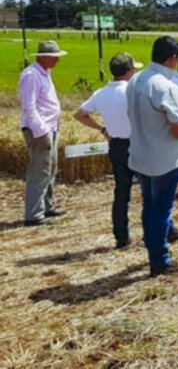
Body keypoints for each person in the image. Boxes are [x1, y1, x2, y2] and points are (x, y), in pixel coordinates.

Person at [126, 36, 178, 277]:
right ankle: (160, 260)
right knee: (161, 210)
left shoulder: (136, 79)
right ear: (173, 58)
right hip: (164, 158)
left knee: (149, 205)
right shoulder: (166, 86)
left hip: (140, 154)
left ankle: (153, 250)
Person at [73, 53, 143, 248]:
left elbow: (80, 115)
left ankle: (121, 237)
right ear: (129, 71)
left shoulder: (101, 93)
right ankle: (154, 231)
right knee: (149, 190)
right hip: (137, 143)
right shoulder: (132, 90)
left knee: (121, 193)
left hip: (117, 145)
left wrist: (103, 129)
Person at [19, 40, 68, 226]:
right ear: (44, 57)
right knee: (40, 171)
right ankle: (33, 215)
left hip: (49, 128)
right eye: (55, 57)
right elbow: (28, 107)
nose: (58, 61)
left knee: (50, 169)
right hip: (40, 131)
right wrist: (41, 131)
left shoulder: (44, 73)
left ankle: (46, 207)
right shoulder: (31, 75)